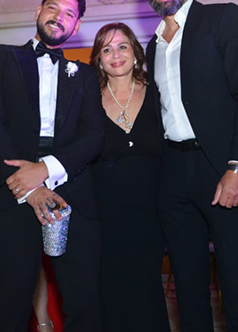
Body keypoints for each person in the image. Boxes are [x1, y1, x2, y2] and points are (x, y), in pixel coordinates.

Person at [137, 0, 238, 331]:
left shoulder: (222, 19)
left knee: (237, 281)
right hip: (173, 173)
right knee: (188, 286)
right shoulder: (153, 46)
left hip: (222, 166)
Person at [0, 0, 105, 332]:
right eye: (52, 7)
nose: (59, 16)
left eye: (69, 14)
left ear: (76, 26)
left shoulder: (86, 75)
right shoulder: (0, 57)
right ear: (38, 11)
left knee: (83, 302)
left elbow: (94, 134)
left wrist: (47, 169)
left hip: (71, 193)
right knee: (11, 304)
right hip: (11, 192)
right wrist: (29, 187)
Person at [89, 23, 170, 332]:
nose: (116, 55)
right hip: (104, 217)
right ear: (98, 59)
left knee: (147, 290)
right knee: (109, 293)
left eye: (122, 46)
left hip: (151, 215)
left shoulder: (158, 93)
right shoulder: (88, 100)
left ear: (136, 53)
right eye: (107, 49)